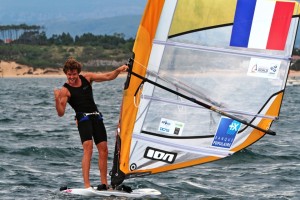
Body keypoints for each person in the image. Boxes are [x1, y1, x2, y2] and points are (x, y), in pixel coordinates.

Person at [54, 57, 128, 190]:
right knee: (88, 148)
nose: (71, 77)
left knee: (104, 150)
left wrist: (118, 70)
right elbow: (61, 113)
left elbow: (107, 76)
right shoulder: (65, 90)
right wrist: (56, 100)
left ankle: (104, 184)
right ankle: (87, 185)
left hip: (96, 117)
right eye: (69, 74)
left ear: (78, 73)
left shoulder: (87, 78)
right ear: (66, 73)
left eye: (74, 74)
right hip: (83, 119)